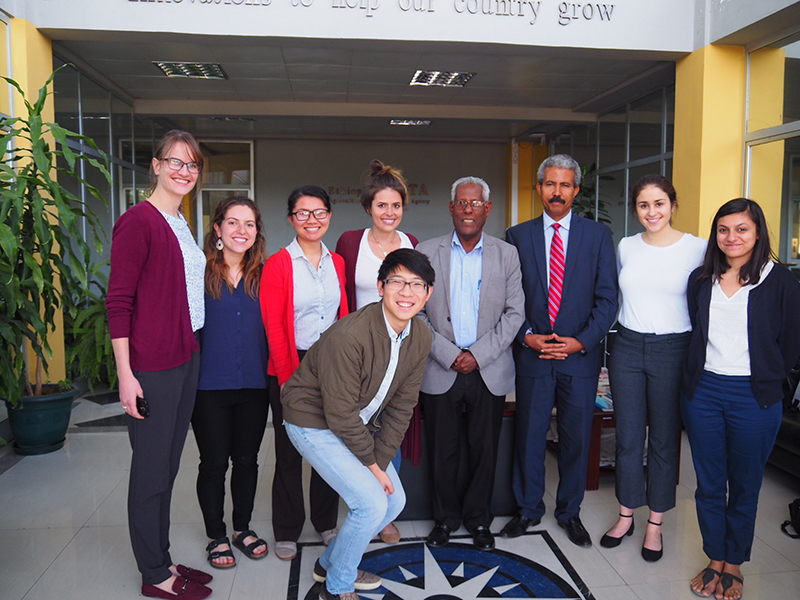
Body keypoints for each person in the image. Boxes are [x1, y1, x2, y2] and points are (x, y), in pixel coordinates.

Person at [282, 248, 434, 600]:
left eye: (417, 284)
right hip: (312, 421)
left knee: (392, 502)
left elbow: (402, 405)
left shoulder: (421, 336)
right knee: (371, 504)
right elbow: (339, 414)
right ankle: (336, 588)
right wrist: (372, 466)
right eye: (397, 282)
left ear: (428, 293)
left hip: (355, 424)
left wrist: (379, 463)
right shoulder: (349, 335)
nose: (406, 292)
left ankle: (329, 564)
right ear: (381, 286)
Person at [107, 130, 213, 600]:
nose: (184, 171)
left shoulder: (181, 221)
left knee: (168, 465)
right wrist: (126, 376)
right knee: (151, 469)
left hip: (186, 356)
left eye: (192, 165)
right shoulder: (139, 221)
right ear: (155, 165)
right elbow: (119, 302)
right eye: (175, 161)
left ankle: (162, 556)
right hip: (152, 365)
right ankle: (154, 574)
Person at [682, 198, 800, 600]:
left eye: (741, 229)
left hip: (755, 396)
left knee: (745, 485)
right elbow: (697, 334)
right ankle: (714, 557)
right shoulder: (701, 279)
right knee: (709, 485)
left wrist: (766, 378)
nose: (732, 238)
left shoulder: (779, 280)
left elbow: (791, 345)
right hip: (705, 393)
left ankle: (734, 563)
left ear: (757, 232)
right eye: (724, 229)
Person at [503, 154, 618, 548]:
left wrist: (581, 341)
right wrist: (526, 336)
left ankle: (570, 512)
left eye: (565, 185)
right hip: (533, 354)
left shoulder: (598, 236)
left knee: (575, 438)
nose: (557, 192)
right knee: (530, 436)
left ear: (576, 191)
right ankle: (528, 509)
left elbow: (607, 299)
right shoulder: (517, 236)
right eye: (550, 184)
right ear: (539, 189)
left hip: (579, 357)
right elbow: (508, 298)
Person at [600, 175, 706, 561]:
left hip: (673, 349)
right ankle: (626, 514)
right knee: (627, 437)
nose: (652, 212)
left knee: (663, 439)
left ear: (672, 205)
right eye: (644, 205)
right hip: (627, 346)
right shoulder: (627, 247)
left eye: (659, 203)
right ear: (636, 210)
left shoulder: (698, 248)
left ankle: (656, 523)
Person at [417, 176, 524, 551]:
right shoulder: (427, 252)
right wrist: (450, 355)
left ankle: (479, 522)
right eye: (461, 203)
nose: (467, 209)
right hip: (440, 367)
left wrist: (476, 356)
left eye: (475, 203)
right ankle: (444, 521)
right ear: (451, 208)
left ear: (487, 209)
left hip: (488, 369)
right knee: (441, 452)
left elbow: (514, 314)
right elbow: (416, 314)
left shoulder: (506, 255)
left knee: (484, 451)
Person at [260, 185, 347, 561]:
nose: (312, 220)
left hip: (332, 364)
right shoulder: (278, 264)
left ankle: (326, 522)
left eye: (319, 212)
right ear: (291, 218)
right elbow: (274, 327)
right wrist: (287, 380)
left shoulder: (338, 261)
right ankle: (287, 528)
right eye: (303, 213)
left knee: (330, 448)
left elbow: (344, 318)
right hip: (289, 363)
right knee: (290, 450)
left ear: (329, 215)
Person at [335, 158, 419, 544]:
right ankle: (359, 505)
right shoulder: (350, 242)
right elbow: (340, 298)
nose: (390, 212)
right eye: (382, 205)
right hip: (356, 352)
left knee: (389, 432)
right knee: (352, 429)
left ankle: (384, 511)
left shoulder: (410, 244)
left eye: (396, 205)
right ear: (369, 207)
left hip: (397, 351)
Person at [193, 196, 269, 569]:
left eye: (250, 224)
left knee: (247, 461)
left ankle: (242, 528)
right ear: (218, 228)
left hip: (255, 384)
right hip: (209, 386)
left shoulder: (267, 275)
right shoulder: (198, 273)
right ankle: (216, 535)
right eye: (234, 223)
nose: (242, 231)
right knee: (212, 464)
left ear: (257, 232)